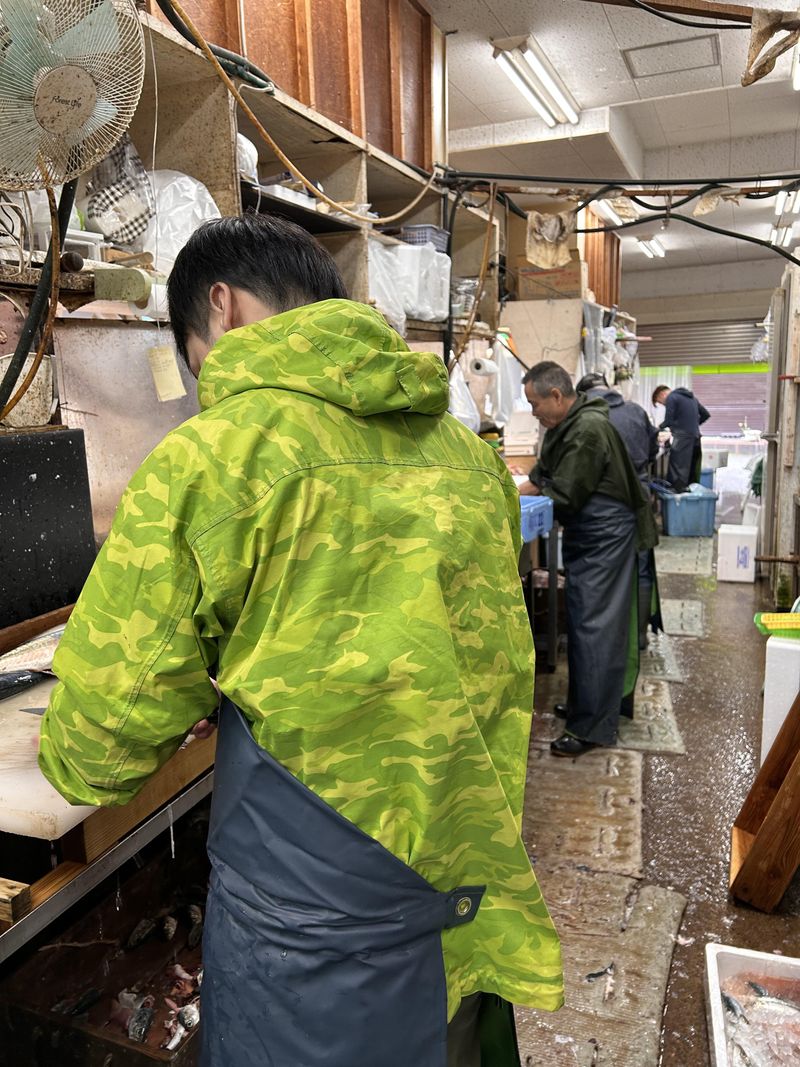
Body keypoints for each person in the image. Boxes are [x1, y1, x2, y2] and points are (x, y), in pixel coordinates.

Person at [38, 214, 563, 1067]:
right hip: (463, 884)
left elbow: (98, 746)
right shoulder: (466, 460)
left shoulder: (210, 459)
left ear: (223, 305)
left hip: (316, 944)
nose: (201, 381)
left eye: (190, 356)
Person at [517, 362, 656, 757]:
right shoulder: (565, 427)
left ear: (557, 396)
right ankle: (584, 707)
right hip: (589, 533)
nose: (533, 412)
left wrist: (519, 503)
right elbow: (543, 476)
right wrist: (508, 490)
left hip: (605, 535)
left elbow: (565, 495)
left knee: (596, 629)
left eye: (535, 403)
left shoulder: (588, 430)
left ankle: (592, 728)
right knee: (582, 624)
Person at [576, 373, 662, 650]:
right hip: (639, 499)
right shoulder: (635, 410)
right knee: (642, 567)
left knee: (604, 573)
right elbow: (652, 449)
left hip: (602, 506)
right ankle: (639, 636)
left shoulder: (585, 419)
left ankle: (608, 639)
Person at [652, 383, 710, 492]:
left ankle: (676, 505)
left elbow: (668, 420)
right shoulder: (691, 398)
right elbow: (706, 414)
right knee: (691, 475)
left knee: (677, 478)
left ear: (662, 394)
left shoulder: (671, 397)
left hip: (682, 440)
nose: (664, 404)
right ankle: (690, 503)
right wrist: (692, 425)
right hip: (695, 438)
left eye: (660, 402)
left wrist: (655, 429)